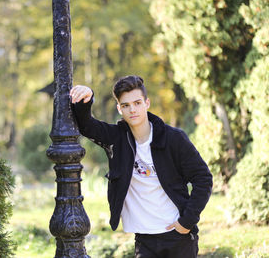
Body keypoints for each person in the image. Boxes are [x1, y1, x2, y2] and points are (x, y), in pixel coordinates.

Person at [70, 75, 213, 258]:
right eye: (126, 105)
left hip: (179, 236)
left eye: (137, 103)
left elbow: (203, 179)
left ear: (147, 103)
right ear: (119, 109)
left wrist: (187, 221)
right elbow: (87, 126)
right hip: (144, 239)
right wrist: (86, 98)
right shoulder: (117, 138)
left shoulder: (173, 139)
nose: (132, 110)